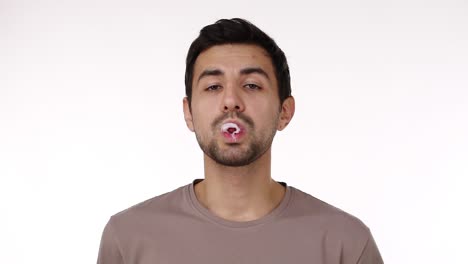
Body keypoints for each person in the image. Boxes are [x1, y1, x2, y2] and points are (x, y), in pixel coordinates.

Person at [97, 18, 384, 264]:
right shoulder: (128, 239)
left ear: (284, 111)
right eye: (213, 86)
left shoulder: (345, 244)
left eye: (251, 85)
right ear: (189, 113)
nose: (231, 101)